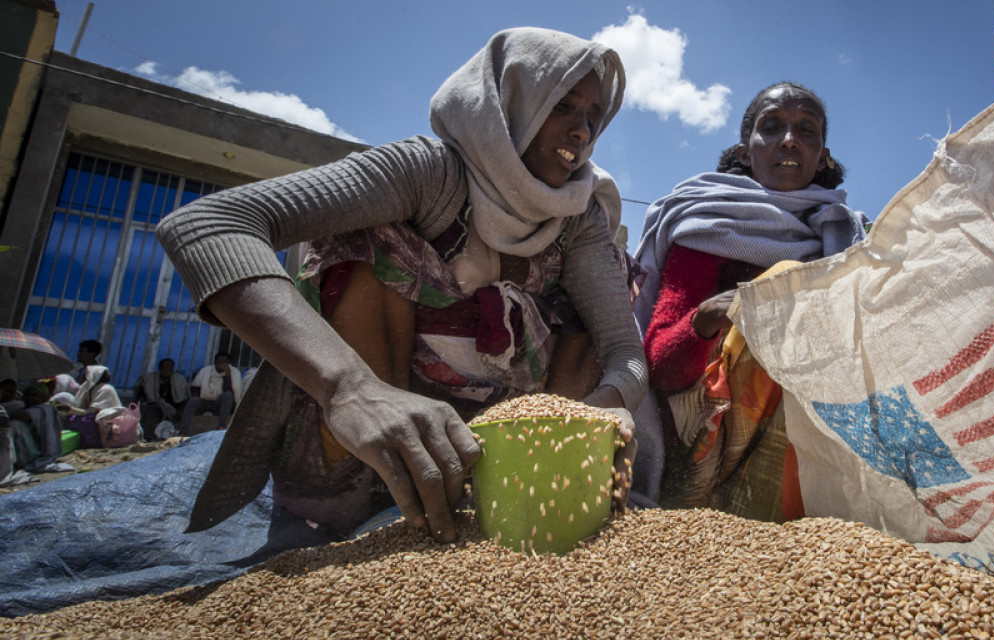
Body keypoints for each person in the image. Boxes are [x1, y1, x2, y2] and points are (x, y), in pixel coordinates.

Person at [156, 27, 646, 540]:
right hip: (376, 420)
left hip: (509, 451)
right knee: (367, 244)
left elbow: (624, 353)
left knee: (598, 298)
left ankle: (543, 501)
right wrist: (350, 389)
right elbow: (207, 226)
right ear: (511, 103)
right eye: (564, 105)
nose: (582, 132)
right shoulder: (428, 173)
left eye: (593, 117)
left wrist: (597, 416)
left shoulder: (578, 216)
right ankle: (371, 502)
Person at [631, 82, 870, 521]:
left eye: (806, 131)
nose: (790, 140)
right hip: (704, 430)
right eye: (773, 127)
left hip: (814, 423)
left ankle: (816, 518)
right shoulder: (709, 225)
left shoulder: (844, 238)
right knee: (781, 288)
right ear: (745, 152)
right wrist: (707, 319)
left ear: (823, 156)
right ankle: (728, 514)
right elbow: (661, 370)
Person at [51, 365, 123, 449]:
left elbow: (92, 412)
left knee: (80, 421)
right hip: (97, 418)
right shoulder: (90, 390)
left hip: (107, 421)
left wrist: (70, 409)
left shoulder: (105, 389)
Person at [182, 353, 239, 435]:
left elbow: (232, 392)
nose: (222, 364)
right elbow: (195, 387)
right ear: (215, 362)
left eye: (224, 362)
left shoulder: (234, 372)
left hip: (218, 404)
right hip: (204, 402)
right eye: (219, 362)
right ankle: (183, 431)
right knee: (193, 400)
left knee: (228, 395)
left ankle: (221, 426)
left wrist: (227, 375)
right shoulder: (206, 370)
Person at [133, 358, 188, 440]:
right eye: (166, 368)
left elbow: (181, 398)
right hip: (153, 404)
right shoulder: (149, 379)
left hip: (172, 406)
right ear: (160, 368)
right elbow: (144, 397)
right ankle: (149, 437)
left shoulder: (177, 380)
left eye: (171, 368)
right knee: (152, 410)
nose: (169, 370)